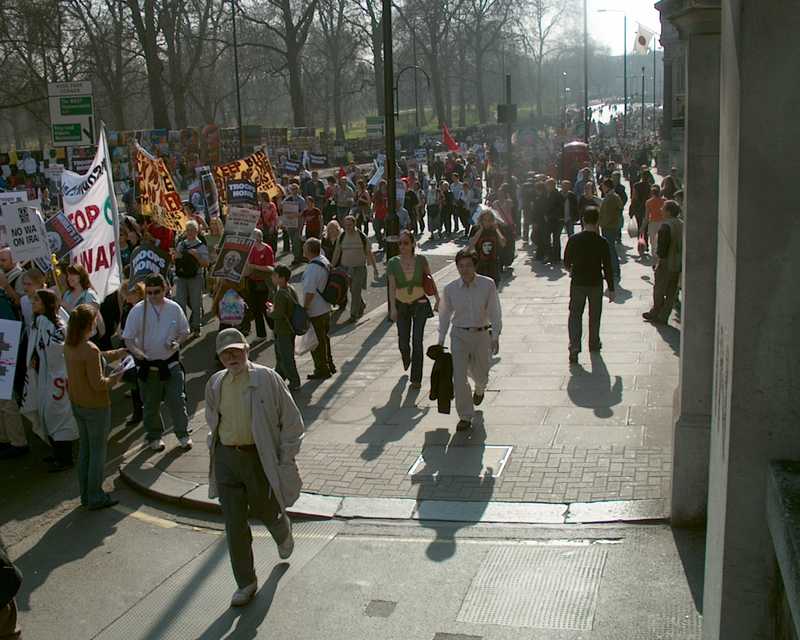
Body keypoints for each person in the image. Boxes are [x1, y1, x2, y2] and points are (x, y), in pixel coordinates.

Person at [205, 328, 304, 608]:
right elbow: (212, 420)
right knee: (234, 525)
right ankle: (246, 583)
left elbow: (292, 420)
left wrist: (287, 456)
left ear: (247, 350)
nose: (231, 356)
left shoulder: (266, 378)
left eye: (236, 350)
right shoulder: (215, 383)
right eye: (226, 353)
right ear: (219, 357)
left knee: (267, 509)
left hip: (257, 458)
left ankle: (282, 530)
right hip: (225, 459)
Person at [64, 304, 127, 509]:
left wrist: (118, 353)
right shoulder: (90, 349)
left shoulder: (70, 344)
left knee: (85, 451)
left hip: (78, 404)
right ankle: (95, 496)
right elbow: (99, 384)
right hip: (95, 407)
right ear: (88, 325)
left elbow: (98, 357)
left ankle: (85, 495)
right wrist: (117, 377)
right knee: (98, 454)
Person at [122, 273, 192, 452]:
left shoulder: (174, 307)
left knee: (178, 400)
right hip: (148, 365)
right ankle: (154, 436)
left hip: (171, 363)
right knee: (151, 405)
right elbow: (128, 339)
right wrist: (137, 353)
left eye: (157, 292)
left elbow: (185, 331)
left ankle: (183, 434)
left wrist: (177, 342)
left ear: (166, 288)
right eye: (149, 292)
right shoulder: (137, 310)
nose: (153, 296)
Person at [437, 249, 502, 432]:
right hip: (459, 335)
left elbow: (495, 311)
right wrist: (440, 341)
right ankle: (465, 416)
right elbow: (444, 315)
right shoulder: (450, 289)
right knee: (459, 377)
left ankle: (480, 389)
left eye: (468, 266)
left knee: (481, 374)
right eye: (461, 266)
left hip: (481, 335)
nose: (464, 270)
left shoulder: (487, 285)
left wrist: (495, 335)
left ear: (475, 266)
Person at [23, 289, 78, 471]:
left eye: (36, 300)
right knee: (47, 414)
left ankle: (65, 459)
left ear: (46, 303)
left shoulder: (56, 324)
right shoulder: (38, 322)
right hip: (44, 376)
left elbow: (60, 348)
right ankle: (57, 453)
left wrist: (41, 356)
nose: (32, 302)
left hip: (57, 378)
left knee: (58, 416)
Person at [387, 231, 440, 389]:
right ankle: (405, 355)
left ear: (412, 244)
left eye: (406, 243)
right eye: (400, 243)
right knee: (403, 340)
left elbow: (430, 279)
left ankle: (416, 378)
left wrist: (438, 298)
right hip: (401, 304)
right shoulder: (393, 262)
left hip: (419, 303)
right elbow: (391, 287)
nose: (402, 246)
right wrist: (392, 309)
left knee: (417, 340)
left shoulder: (421, 260)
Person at [563, 207, 616, 364]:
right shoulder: (602, 242)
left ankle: (574, 346)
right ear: (597, 221)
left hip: (578, 282)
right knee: (595, 315)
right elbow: (607, 267)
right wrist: (611, 288)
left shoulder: (574, 239)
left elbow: (566, 262)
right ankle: (593, 343)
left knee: (575, 314)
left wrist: (571, 270)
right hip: (595, 283)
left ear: (583, 220)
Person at [331, 215, 379, 323]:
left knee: (355, 290)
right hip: (345, 268)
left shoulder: (362, 236)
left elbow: (369, 253)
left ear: (355, 224)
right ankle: (361, 304)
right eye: (346, 225)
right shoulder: (342, 236)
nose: (348, 227)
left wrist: (375, 269)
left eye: (350, 225)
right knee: (352, 290)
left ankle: (353, 315)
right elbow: (337, 252)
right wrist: (331, 266)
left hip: (359, 268)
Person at [643, 200, 683, 325]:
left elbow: (662, 248)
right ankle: (664, 315)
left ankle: (656, 311)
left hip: (666, 262)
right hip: (678, 262)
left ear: (669, 212)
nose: (661, 210)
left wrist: (658, 261)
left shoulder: (666, 226)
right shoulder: (682, 224)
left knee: (659, 288)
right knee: (672, 290)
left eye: (663, 208)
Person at [302, 238, 335, 379]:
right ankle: (329, 364)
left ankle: (322, 369)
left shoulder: (312, 269)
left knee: (316, 343)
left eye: (304, 247)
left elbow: (310, 292)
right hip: (326, 308)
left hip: (315, 310)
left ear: (309, 251)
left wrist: (304, 309)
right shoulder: (323, 260)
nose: (303, 250)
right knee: (324, 339)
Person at [267, 265, 301, 390]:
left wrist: (270, 311)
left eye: (274, 275)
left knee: (286, 357)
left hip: (283, 329)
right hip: (290, 328)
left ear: (281, 278)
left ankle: (294, 381)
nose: (272, 277)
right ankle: (278, 378)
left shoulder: (280, 293)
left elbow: (277, 314)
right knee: (281, 355)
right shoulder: (290, 289)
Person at [174, 220, 209, 339]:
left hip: (195, 277)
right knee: (180, 302)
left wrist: (197, 256)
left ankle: (196, 326)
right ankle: (183, 328)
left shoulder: (201, 246)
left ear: (196, 231)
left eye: (192, 230)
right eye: (187, 230)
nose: (189, 232)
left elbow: (206, 263)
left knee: (196, 302)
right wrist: (176, 256)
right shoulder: (181, 244)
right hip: (181, 277)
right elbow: (176, 259)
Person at [245, 229, 274, 341]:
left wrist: (254, 266)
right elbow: (248, 266)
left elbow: (270, 268)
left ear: (258, 237)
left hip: (264, 283)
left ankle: (273, 329)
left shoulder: (267, 249)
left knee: (266, 307)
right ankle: (261, 334)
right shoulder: (251, 250)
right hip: (252, 281)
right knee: (255, 309)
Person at [468, 208, 507, 284]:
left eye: (489, 220)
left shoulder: (496, 229)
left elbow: (503, 243)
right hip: (480, 266)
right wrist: (480, 230)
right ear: (481, 220)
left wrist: (497, 230)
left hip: (494, 266)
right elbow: (471, 244)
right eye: (485, 220)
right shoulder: (476, 229)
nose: (487, 222)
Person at [599, 179, 623, 281]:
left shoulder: (612, 197)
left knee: (610, 250)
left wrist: (603, 223)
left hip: (609, 227)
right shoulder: (611, 196)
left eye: (603, 186)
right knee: (608, 250)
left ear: (607, 186)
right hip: (609, 226)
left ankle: (614, 271)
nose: (602, 188)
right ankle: (611, 270)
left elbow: (610, 214)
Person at [280, 184, 305, 265]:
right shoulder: (288, 198)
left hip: (298, 223)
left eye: (295, 189)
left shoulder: (301, 200)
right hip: (290, 224)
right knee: (293, 241)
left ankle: (297, 258)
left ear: (298, 190)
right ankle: (297, 256)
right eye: (292, 189)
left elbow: (303, 212)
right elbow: (281, 206)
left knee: (296, 241)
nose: (294, 190)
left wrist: (296, 215)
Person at [544, 178, 566, 263]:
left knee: (556, 239)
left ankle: (555, 257)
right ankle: (551, 256)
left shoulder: (557, 195)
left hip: (556, 220)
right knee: (549, 238)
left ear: (552, 185)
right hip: (551, 220)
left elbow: (559, 208)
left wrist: (549, 215)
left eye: (547, 185)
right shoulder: (548, 194)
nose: (546, 187)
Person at [645, 185, 666, 254]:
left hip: (653, 222)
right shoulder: (664, 200)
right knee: (662, 239)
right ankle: (661, 253)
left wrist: (642, 227)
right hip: (662, 222)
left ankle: (654, 254)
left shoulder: (648, 202)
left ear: (651, 193)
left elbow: (647, 216)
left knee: (653, 240)